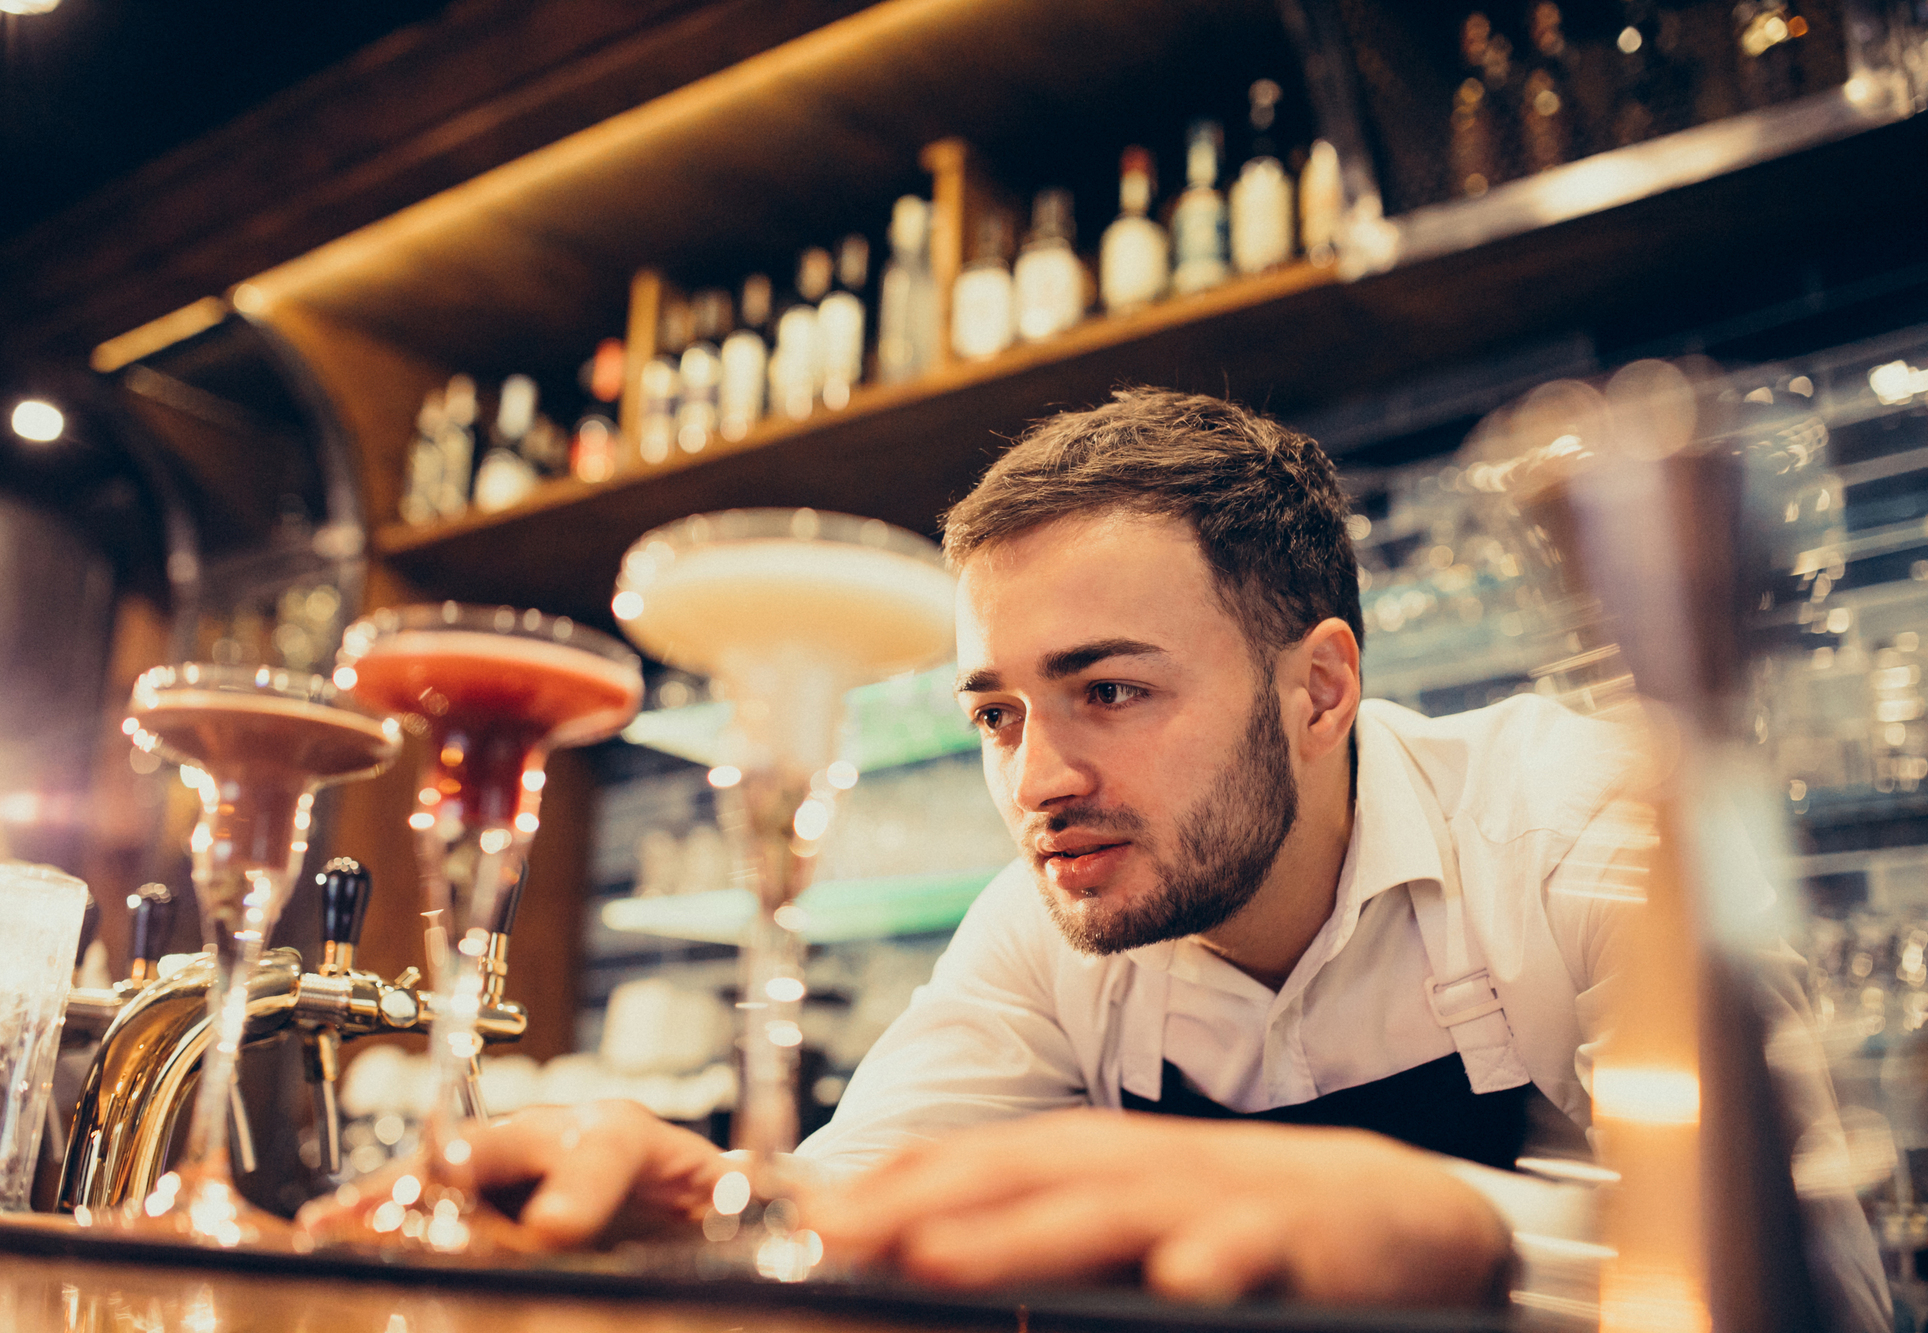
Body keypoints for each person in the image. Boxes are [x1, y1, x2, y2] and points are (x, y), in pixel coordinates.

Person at [306, 389, 1882, 1318]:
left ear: (1320, 685)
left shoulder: (1567, 811)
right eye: (997, 714)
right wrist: (701, 1192)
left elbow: (1829, 1286)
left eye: (1110, 691)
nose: (1040, 780)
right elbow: (839, 1207)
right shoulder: (1044, 925)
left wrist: (1458, 1229)